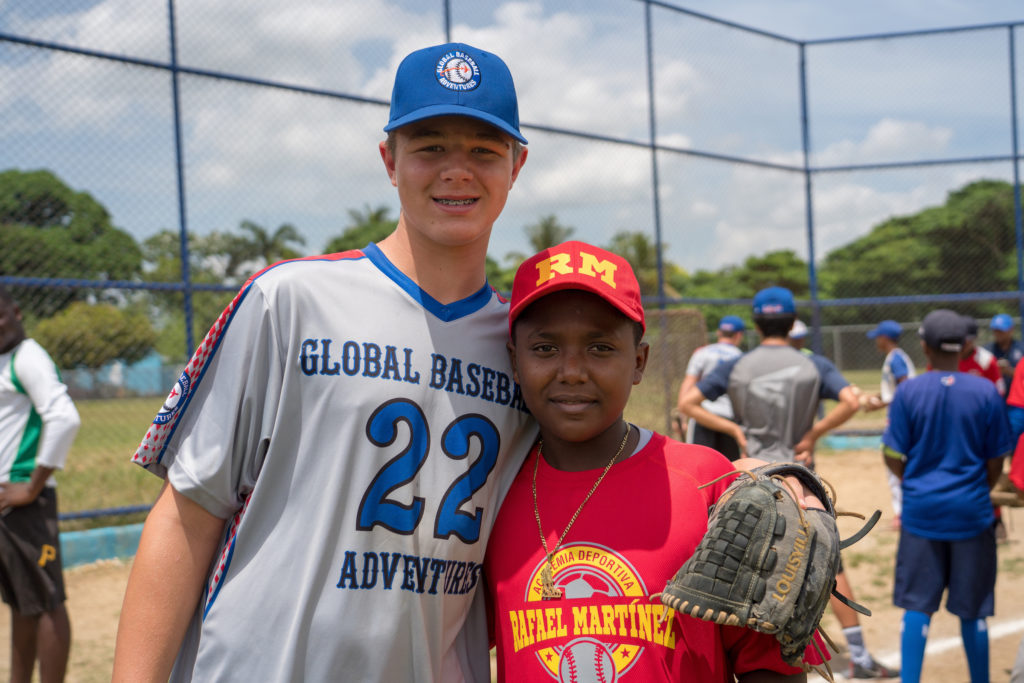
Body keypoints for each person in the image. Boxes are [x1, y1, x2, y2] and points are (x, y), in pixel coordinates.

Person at [112, 42, 537, 682]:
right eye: (429, 147)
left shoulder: (523, 348)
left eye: (484, 150)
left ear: (517, 165)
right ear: (389, 161)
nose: (457, 171)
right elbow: (186, 516)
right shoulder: (289, 299)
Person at [486, 241, 810, 681]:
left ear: (638, 361)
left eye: (600, 348)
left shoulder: (705, 482)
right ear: (514, 361)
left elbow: (769, 667)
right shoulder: (487, 493)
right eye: (544, 349)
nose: (573, 371)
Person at [678, 286, 898, 679]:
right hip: (800, 482)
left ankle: (741, 657)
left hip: (751, 480)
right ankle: (857, 655)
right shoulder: (812, 363)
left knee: (743, 564)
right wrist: (813, 435)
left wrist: (733, 428)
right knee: (822, 566)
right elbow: (849, 400)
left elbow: (688, 403)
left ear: (757, 322)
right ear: (792, 320)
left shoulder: (738, 365)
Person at [882, 309, 1012, 683]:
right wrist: (981, 489)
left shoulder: (909, 390)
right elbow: (996, 458)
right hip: (972, 512)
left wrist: (913, 480)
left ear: (923, 345)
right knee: (973, 610)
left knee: (917, 608)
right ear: (966, 346)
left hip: (922, 512)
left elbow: (891, 453)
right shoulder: (985, 391)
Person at [0, 285, 80, 683]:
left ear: (15, 311)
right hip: (7, 505)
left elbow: (64, 418)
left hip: (26, 502)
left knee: (46, 603)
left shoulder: (28, 357)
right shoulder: (5, 361)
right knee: (21, 602)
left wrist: (31, 487)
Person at [862, 319, 917, 529]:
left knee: (895, 464)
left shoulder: (896, 359)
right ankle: (903, 511)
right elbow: (894, 391)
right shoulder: (896, 357)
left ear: (885, 338)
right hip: (901, 418)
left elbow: (904, 390)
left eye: (878, 336)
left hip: (900, 420)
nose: (876, 340)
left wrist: (879, 404)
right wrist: (877, 398)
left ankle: (902, 514)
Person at [674, 314, 745, 460]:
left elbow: (689, 383)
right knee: (730, 473)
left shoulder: (702, 352)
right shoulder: (740, 357)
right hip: (729, 421)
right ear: (738, 336)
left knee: (698, 470)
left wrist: (682, 416)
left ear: (719, 333)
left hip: (702, 416)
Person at [987, 313, 1024, 389]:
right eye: (995, 330)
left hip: (1017, 395)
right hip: (994, 394)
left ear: (1011, 329)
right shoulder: (988, 350)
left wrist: (1010, 371)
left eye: (1001, 330)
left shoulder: (1021, 348)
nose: (998, 334)